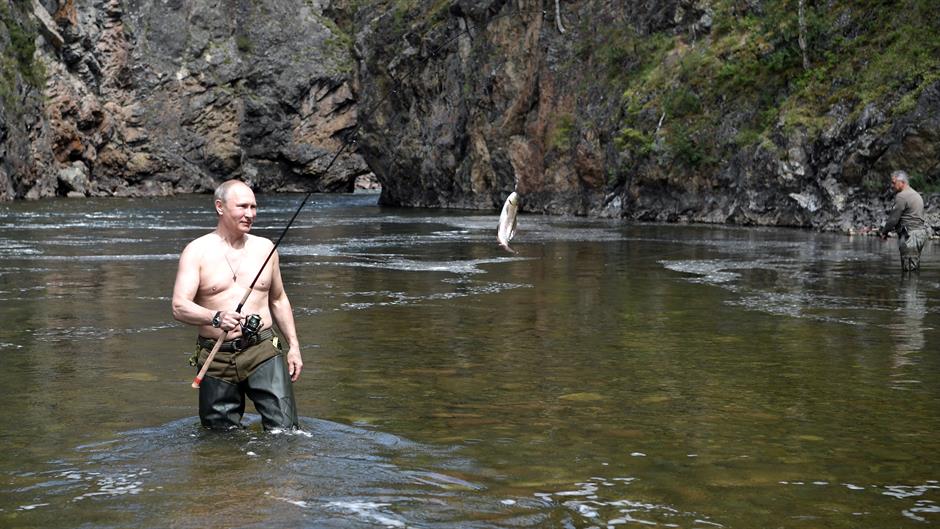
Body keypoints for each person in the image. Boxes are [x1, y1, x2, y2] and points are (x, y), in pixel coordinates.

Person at [172, 179, 303, 430]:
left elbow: (278, 299)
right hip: (215, 356)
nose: (250, 214)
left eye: (254, 207)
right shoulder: (196, 251)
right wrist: (215, 317)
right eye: (242, 206)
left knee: (285, 431)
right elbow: (179, 306)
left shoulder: (266, 248)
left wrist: (294, 346)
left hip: (262, 349)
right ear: (220, 207)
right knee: (219, 439)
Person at [879, 170, 930, 272]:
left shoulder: (902, 196)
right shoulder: (915, 194)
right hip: (920, 234)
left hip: (910, 237)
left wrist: (884, 232)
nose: (892, 185)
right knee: (914, 268)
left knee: (909, 272)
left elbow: (893, 219)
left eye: (894, 182)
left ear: (902, 182)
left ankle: (908, 287)